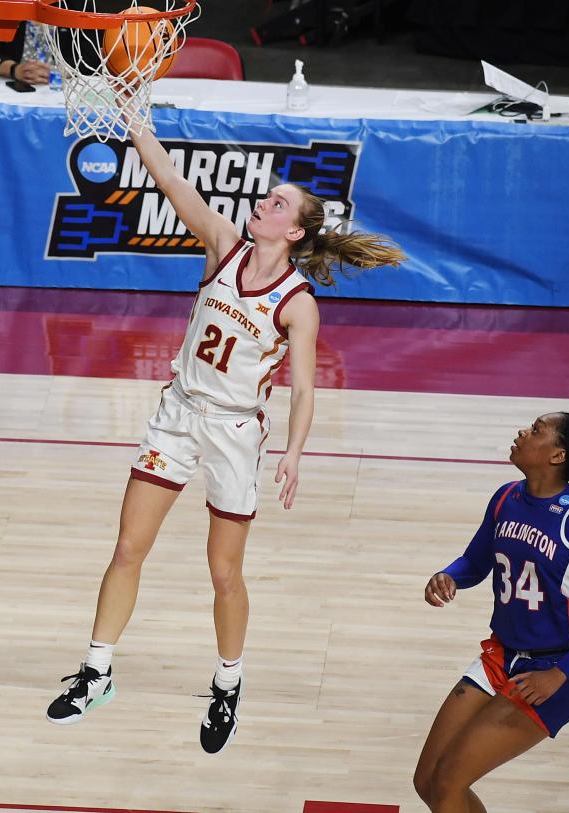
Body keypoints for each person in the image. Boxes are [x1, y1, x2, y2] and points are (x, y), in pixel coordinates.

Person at [44, 125, 405, 754]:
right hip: (179, 413)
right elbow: (170, 180)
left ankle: (228, 681)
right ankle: (97, 671)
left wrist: (293, 452)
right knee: (129, 547)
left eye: (278, 204)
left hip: (236, 432)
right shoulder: (224, 244)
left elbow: (304, 386)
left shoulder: (297, 303)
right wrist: (137, 128)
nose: (263, 204)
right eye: (266, 198)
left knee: (223, 571)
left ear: (294, 232)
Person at [413, 412, 569, 812]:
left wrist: (560, 674)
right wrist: (448, 576)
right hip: (501, 655)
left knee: (448, 783)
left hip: (556, 669)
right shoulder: (505, 497)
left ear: (558, 454)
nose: (522, 432)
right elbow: (476, 562)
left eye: (536, 431)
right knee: (427, 780)